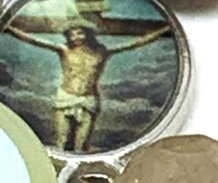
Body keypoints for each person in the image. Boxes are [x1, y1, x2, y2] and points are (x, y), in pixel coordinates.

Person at [2, 18, 170, 153]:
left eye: (80, 33)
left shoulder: (100, 52)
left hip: (88, 100)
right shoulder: (64, 50)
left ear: (87, 34)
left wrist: (162, 31)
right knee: (61, 141)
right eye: (72, 34)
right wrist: (10, 28)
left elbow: (134, 44)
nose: (76, 37)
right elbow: (35, 41)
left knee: (82, 144)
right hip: (65, 98)